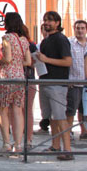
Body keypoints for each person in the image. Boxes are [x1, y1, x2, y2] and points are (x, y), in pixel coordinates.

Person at [36, 11, 73, 161]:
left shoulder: (61, 39)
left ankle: (68, 150)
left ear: (57, 23)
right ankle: (55, 146)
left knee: (60, 117)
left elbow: (68, 61)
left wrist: (46, 59)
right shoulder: (46, 41)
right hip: (45, 81)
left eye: (50, 20)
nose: (47, 23)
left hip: (57, 83)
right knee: (52, 118)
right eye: (45, 20)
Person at [0, 12, 31, 153]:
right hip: (20, 77)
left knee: (2, 110)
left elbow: (8, 58)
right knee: (17, 110)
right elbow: (28, 61)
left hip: (7, 77)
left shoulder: (7, 38)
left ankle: (6, 143)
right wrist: (17, 64)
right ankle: (18, 144)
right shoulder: (24, 40)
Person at [67, 20, 87, 140]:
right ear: (74, 29)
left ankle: (84, 131)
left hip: (86, 83)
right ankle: (67, 132)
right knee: (71, 109)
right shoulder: (69, 43)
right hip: (73, 82)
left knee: (84, 110)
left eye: (82, 28)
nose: (80, 30)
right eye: (78, 28)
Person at [21, 25, 37, 147]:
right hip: (20, 80)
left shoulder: (31, 45)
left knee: (26, 111)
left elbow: (33, 64)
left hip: (27, 80)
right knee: (18, 111)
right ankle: (21, 139)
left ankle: (28, 139)